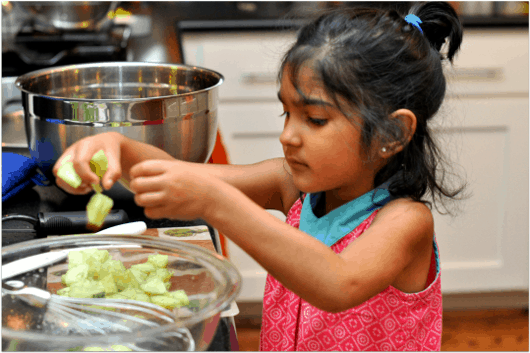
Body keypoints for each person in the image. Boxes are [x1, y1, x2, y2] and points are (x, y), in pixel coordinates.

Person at [53, 1, 465, 350]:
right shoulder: (293, 186)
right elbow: (180, 174)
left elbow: (337, 283)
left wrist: (214, 201)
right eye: (287, 112)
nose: (287, 135)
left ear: (392, 133)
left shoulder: (405, 222)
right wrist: (117, 149)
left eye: (315, 119)